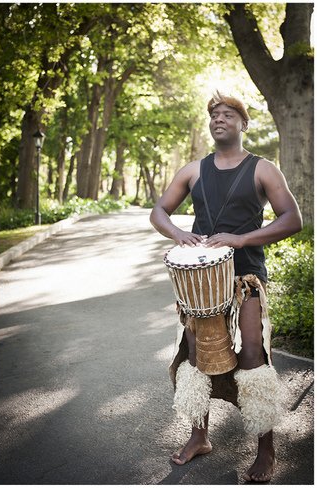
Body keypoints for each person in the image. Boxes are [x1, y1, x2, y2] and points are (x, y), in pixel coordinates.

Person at [150, 92, 302, 482]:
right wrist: (180, 234)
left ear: (243, 123)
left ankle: (266, 450)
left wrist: (241, 239)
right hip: (201, 280)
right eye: (214, 114)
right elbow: (159, 211)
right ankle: (199, 436)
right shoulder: (194, 170)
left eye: (228, 114)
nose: (219, 118)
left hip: (246, 278)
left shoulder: (263, 168)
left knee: (253, 357)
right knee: (195, 357)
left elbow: (292, 219)